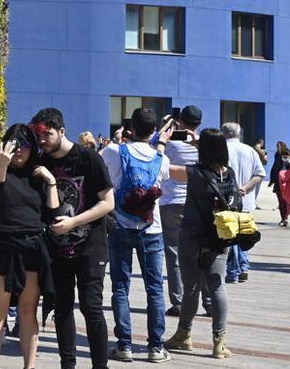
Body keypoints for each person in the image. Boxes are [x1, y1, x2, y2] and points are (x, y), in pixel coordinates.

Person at [33, 107, 115, 369]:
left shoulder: (88, 158)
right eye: (39, 136)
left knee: (92, 308)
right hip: (57, 247)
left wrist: (73, 222)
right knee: (63, 307)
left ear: (62, 131)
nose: (42, 140)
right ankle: (67, 364)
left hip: (91, 244)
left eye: (47, 134)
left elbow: (108, 203)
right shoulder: (41, 163)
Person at [0, 124, 61, 369]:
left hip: (32, 248)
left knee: (28, 309)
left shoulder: (37, 175)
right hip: (3, 246)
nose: (19, 152)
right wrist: (2, 165)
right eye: (14, 146)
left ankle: (29, 366)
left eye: (25, 146)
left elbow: (52, 214)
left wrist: (52, 181)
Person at [101, 107, 170, 363]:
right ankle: (155, 347)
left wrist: (120, 139)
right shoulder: (162, 159)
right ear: (154, 131)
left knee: (120, 286)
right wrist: (160, 144)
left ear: (131, 129)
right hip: (152, 229)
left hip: (120, 226)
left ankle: (124, 345)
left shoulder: (114, 151)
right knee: (154, 289)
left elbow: (102, 160)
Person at [163, 129, 239, 359]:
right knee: (217, 286)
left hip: (193, 235)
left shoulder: (194, 173)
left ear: (203, 149)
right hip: (219, 237)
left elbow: (162, 168)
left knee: (191, 288)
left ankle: (183, 335)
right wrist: (201, 144)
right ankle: (219, 342)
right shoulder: (230, 174)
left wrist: (161, 142)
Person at [159, 106, 202, 316]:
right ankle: (209, 302)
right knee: (201, 253)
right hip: (197, 202)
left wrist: (166, 127)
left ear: (180, 121)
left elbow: (153, 149)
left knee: (173, 253)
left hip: (170, 202)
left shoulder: (170, 143)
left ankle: (178, 301)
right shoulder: (203, 143)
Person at [220, 122, 265, 284]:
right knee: (244, 231)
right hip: (245, 201)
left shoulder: (221, 149)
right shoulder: (250, 150)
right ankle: (244, 267)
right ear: (239, 133)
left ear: (223, 133)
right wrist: (244, 188)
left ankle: (233, 271)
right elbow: (260, 174)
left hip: (227, 199)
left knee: (229, 233)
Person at [269, 142, 290, 227]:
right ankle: (283, 218)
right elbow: (275, 167)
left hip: (286, 183)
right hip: (278, 182)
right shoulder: (277, 155)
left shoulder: (288, 159)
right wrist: (272, 180)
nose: (277, 148)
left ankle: (285, 218)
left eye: (279, 146)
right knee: (281, 202)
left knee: (286, 201)